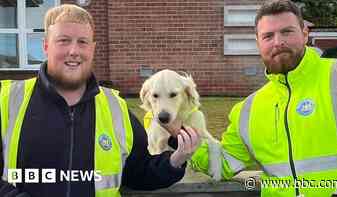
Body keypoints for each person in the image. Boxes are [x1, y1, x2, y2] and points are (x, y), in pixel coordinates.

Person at [0, 4, 200, 197]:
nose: (74, 51)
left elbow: (137, 172)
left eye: (82, 42)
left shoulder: (116, 107)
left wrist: (176, 160)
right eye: (63, 40)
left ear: (92, 48)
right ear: (45, 46)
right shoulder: (7, 99)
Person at [189, 0, 337, 196]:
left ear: (305, 34)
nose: (277, 42)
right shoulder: (247, 109)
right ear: (258, 43)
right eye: (268, 36)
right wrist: (176, 131)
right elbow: (223, 164)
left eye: (287, 32)